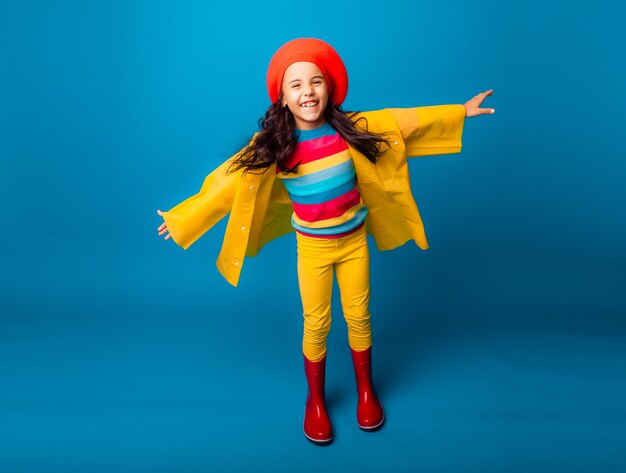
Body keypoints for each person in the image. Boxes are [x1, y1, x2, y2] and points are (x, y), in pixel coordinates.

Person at [156, 38, 495, 446]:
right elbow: (225, 182)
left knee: (359, 316)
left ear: (329, 89)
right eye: (296, 86)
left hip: (354, 245)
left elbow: (407, 121)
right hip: (312, 251)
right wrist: (185, 218)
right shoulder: (272, 148)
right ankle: (315, 401)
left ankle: (366, 392)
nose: (307, 92)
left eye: (315, 82)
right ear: (282, 97)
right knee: (316, 323)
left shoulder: (353, 130)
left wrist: (459, 111)